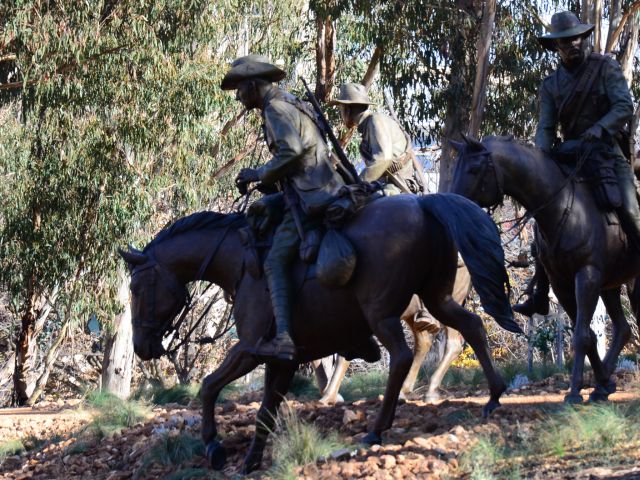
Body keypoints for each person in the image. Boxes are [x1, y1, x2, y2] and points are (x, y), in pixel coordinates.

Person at [514, 11, 639, 316]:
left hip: (607, 153)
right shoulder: (550, 85)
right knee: (546, 222)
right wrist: (540, 161)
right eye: (564, 41)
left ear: (583, 38)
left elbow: (624, 105)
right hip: (570, 156)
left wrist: (601, 127)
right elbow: (545, 128)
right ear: (555, 46)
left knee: (631, 210)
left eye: (575, 38)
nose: (571, 45)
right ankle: (539, 293)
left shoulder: (604, 68)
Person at [222, 55, 345, 360]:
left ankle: (285, 337)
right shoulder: (289, 102)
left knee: (274, 261)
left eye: (239, 89)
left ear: (252, 86)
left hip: (310, 196)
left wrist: (258, 173)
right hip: (311, 187)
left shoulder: (275, 109)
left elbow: (292, 151)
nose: (238, 96)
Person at [329, 83, 425, 195]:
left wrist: (357, 184)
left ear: (347, 109)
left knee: (343, 205)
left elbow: (383, 159)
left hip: (398, 184)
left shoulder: (375, 121)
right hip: (387, 182)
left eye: (340, 108)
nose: (340, 114)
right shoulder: (368, 125)